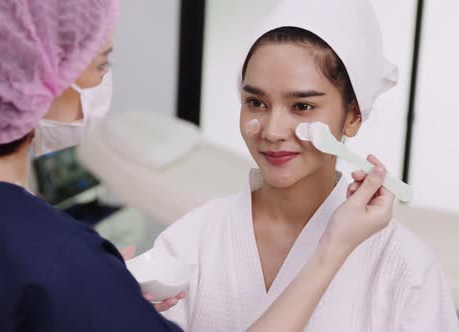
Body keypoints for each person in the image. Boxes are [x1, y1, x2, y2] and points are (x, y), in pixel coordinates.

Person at [0, 0, 404, 331]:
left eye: (303, 105)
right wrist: (332, 248)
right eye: (101, 63)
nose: (274, 128)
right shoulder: (64, 265)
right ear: (40, 77)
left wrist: (102, 290)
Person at [152, 0, 459, 331]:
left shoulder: (407, 268)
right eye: (256, 102)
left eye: (302, 106)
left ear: (353, 115)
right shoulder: (187, 243)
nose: (272, 130)